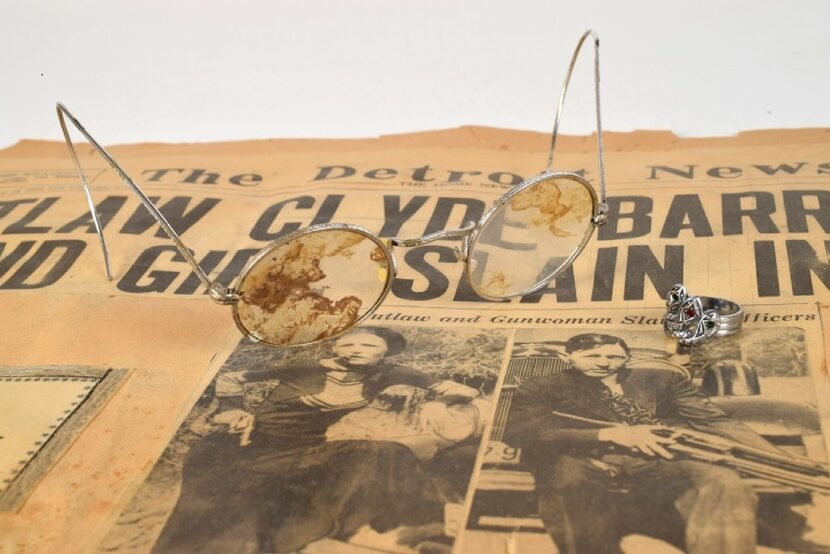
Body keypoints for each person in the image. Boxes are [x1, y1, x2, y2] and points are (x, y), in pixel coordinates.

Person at [153, 327, 479, 553]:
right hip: (244, 448)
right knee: (237, 521)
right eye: (348, 344)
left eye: (367, 346)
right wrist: (232, 409)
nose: (356, 350)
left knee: (385, 453)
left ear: (385, 354)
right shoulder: (306, 367)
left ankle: (395, 525)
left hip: (306, 449)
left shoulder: (389, 374)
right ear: (335, 348)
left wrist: (450, 396)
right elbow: (231, 376)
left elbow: (451, 387)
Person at [504, 333, 778, 554]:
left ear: (627, 358)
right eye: (592, 356)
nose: (603, 362)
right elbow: (523, 433)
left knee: (722, 482)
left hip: (657, 459)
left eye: (614, 356)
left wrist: (773, 457)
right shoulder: (540, 386)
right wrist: (610, 435)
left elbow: (714, 421)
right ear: (569, 357)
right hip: (584, 457)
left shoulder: (664, 379)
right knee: (567, 485)